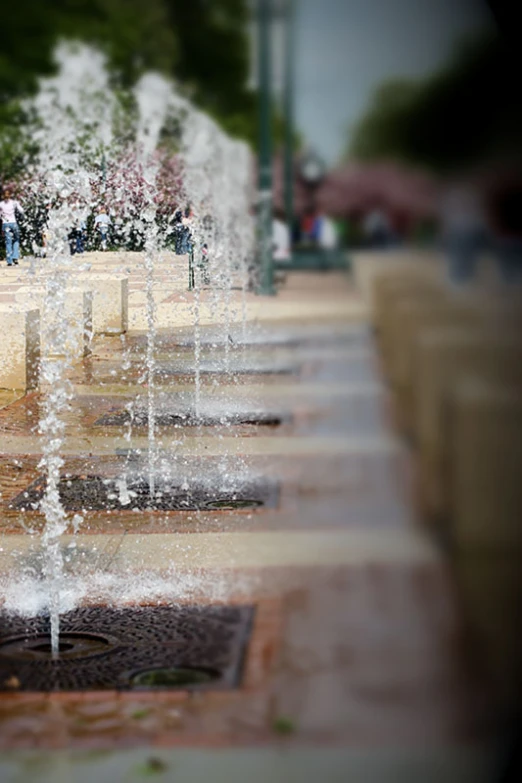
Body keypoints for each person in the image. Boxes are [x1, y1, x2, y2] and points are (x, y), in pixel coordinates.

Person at [0, 187, 24, 266]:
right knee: (16, 240)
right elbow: (22, 211)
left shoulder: (1, 204)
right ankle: (15, 257)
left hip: (5, 224)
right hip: (13, 223)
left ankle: (9, 261)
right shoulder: (14, 202)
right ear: (10, 195)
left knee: (8, 242)